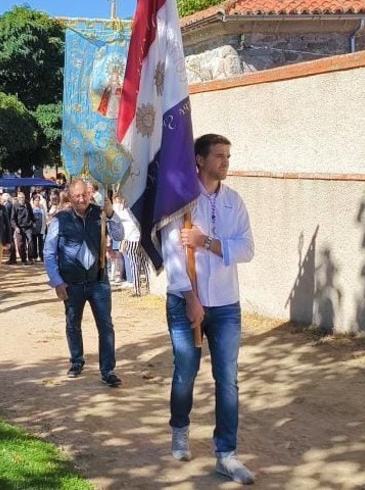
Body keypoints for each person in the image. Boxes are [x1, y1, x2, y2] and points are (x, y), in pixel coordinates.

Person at [162, 134, 256, 485]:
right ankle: (180, 429)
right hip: (186, 300)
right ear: (199, 160)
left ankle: (226, 453)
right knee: (186, 370)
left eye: (228, 156)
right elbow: (173, 256)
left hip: (226, 303)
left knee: (227, 379)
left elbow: (246, 248)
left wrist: (207, 243)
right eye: (218, 156)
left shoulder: (234, 201)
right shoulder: (182, 202)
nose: (225, 162)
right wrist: (190, 298)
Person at [43, 180, 123, 387]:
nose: (81, 199)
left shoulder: (101, 214)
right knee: (72, 324)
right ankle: (77, 361)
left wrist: (111, 213)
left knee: (105, 325)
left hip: (98, 281)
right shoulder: (60, 220)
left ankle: (108, 370)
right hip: (72, 283)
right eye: (77, 196)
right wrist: (57, 282)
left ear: (89, 194)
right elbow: (49, 253)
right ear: (69, 197)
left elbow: (119, 235)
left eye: (84, 195)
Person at [10, 191, 36, 265]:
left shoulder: (28, 204)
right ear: (18, 199)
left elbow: (31, 213)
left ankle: (30, 258)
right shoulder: (15, 206)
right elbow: (12, 219)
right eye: (21, 198)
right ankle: (23, 259)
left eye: (23, 198)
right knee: (20, 245)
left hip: (28, 227)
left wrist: (33, 222)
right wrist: (15, 227)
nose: (22, 199)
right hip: (19, 228)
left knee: (30, 241)